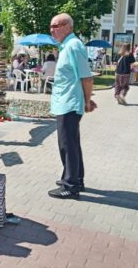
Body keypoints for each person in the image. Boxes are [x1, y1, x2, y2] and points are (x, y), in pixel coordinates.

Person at [48, 13, 97, 199]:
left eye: (56, 25)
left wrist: (86, 100)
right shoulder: (67, 46)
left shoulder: (74, 46)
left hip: (69, 104)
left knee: (67, 145)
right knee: (72, 144)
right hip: (65, 102)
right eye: (51, 26)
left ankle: (70, 185)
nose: (52, 30)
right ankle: (76, 178)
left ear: (68, 26)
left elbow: (86, 77)